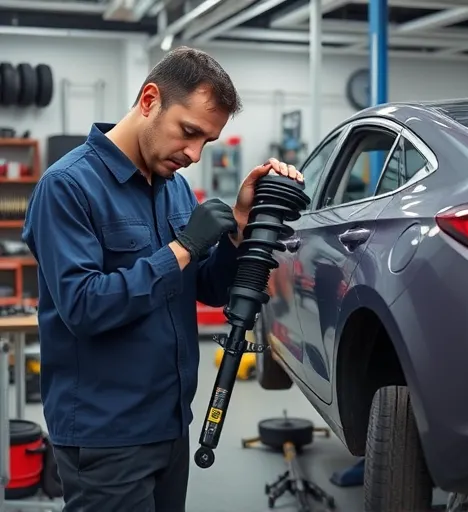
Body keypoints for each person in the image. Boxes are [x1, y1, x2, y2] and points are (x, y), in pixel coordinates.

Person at [22, 46, 303, 512]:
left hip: (170, 423)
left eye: (206, 142)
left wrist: (239, 223)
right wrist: (182, 248)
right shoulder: (67, 188)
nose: (194, 154)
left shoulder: (173, 187)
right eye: (189, 132)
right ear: (150, 99)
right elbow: (84, 307)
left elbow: (208, 289)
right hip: (106, 436)